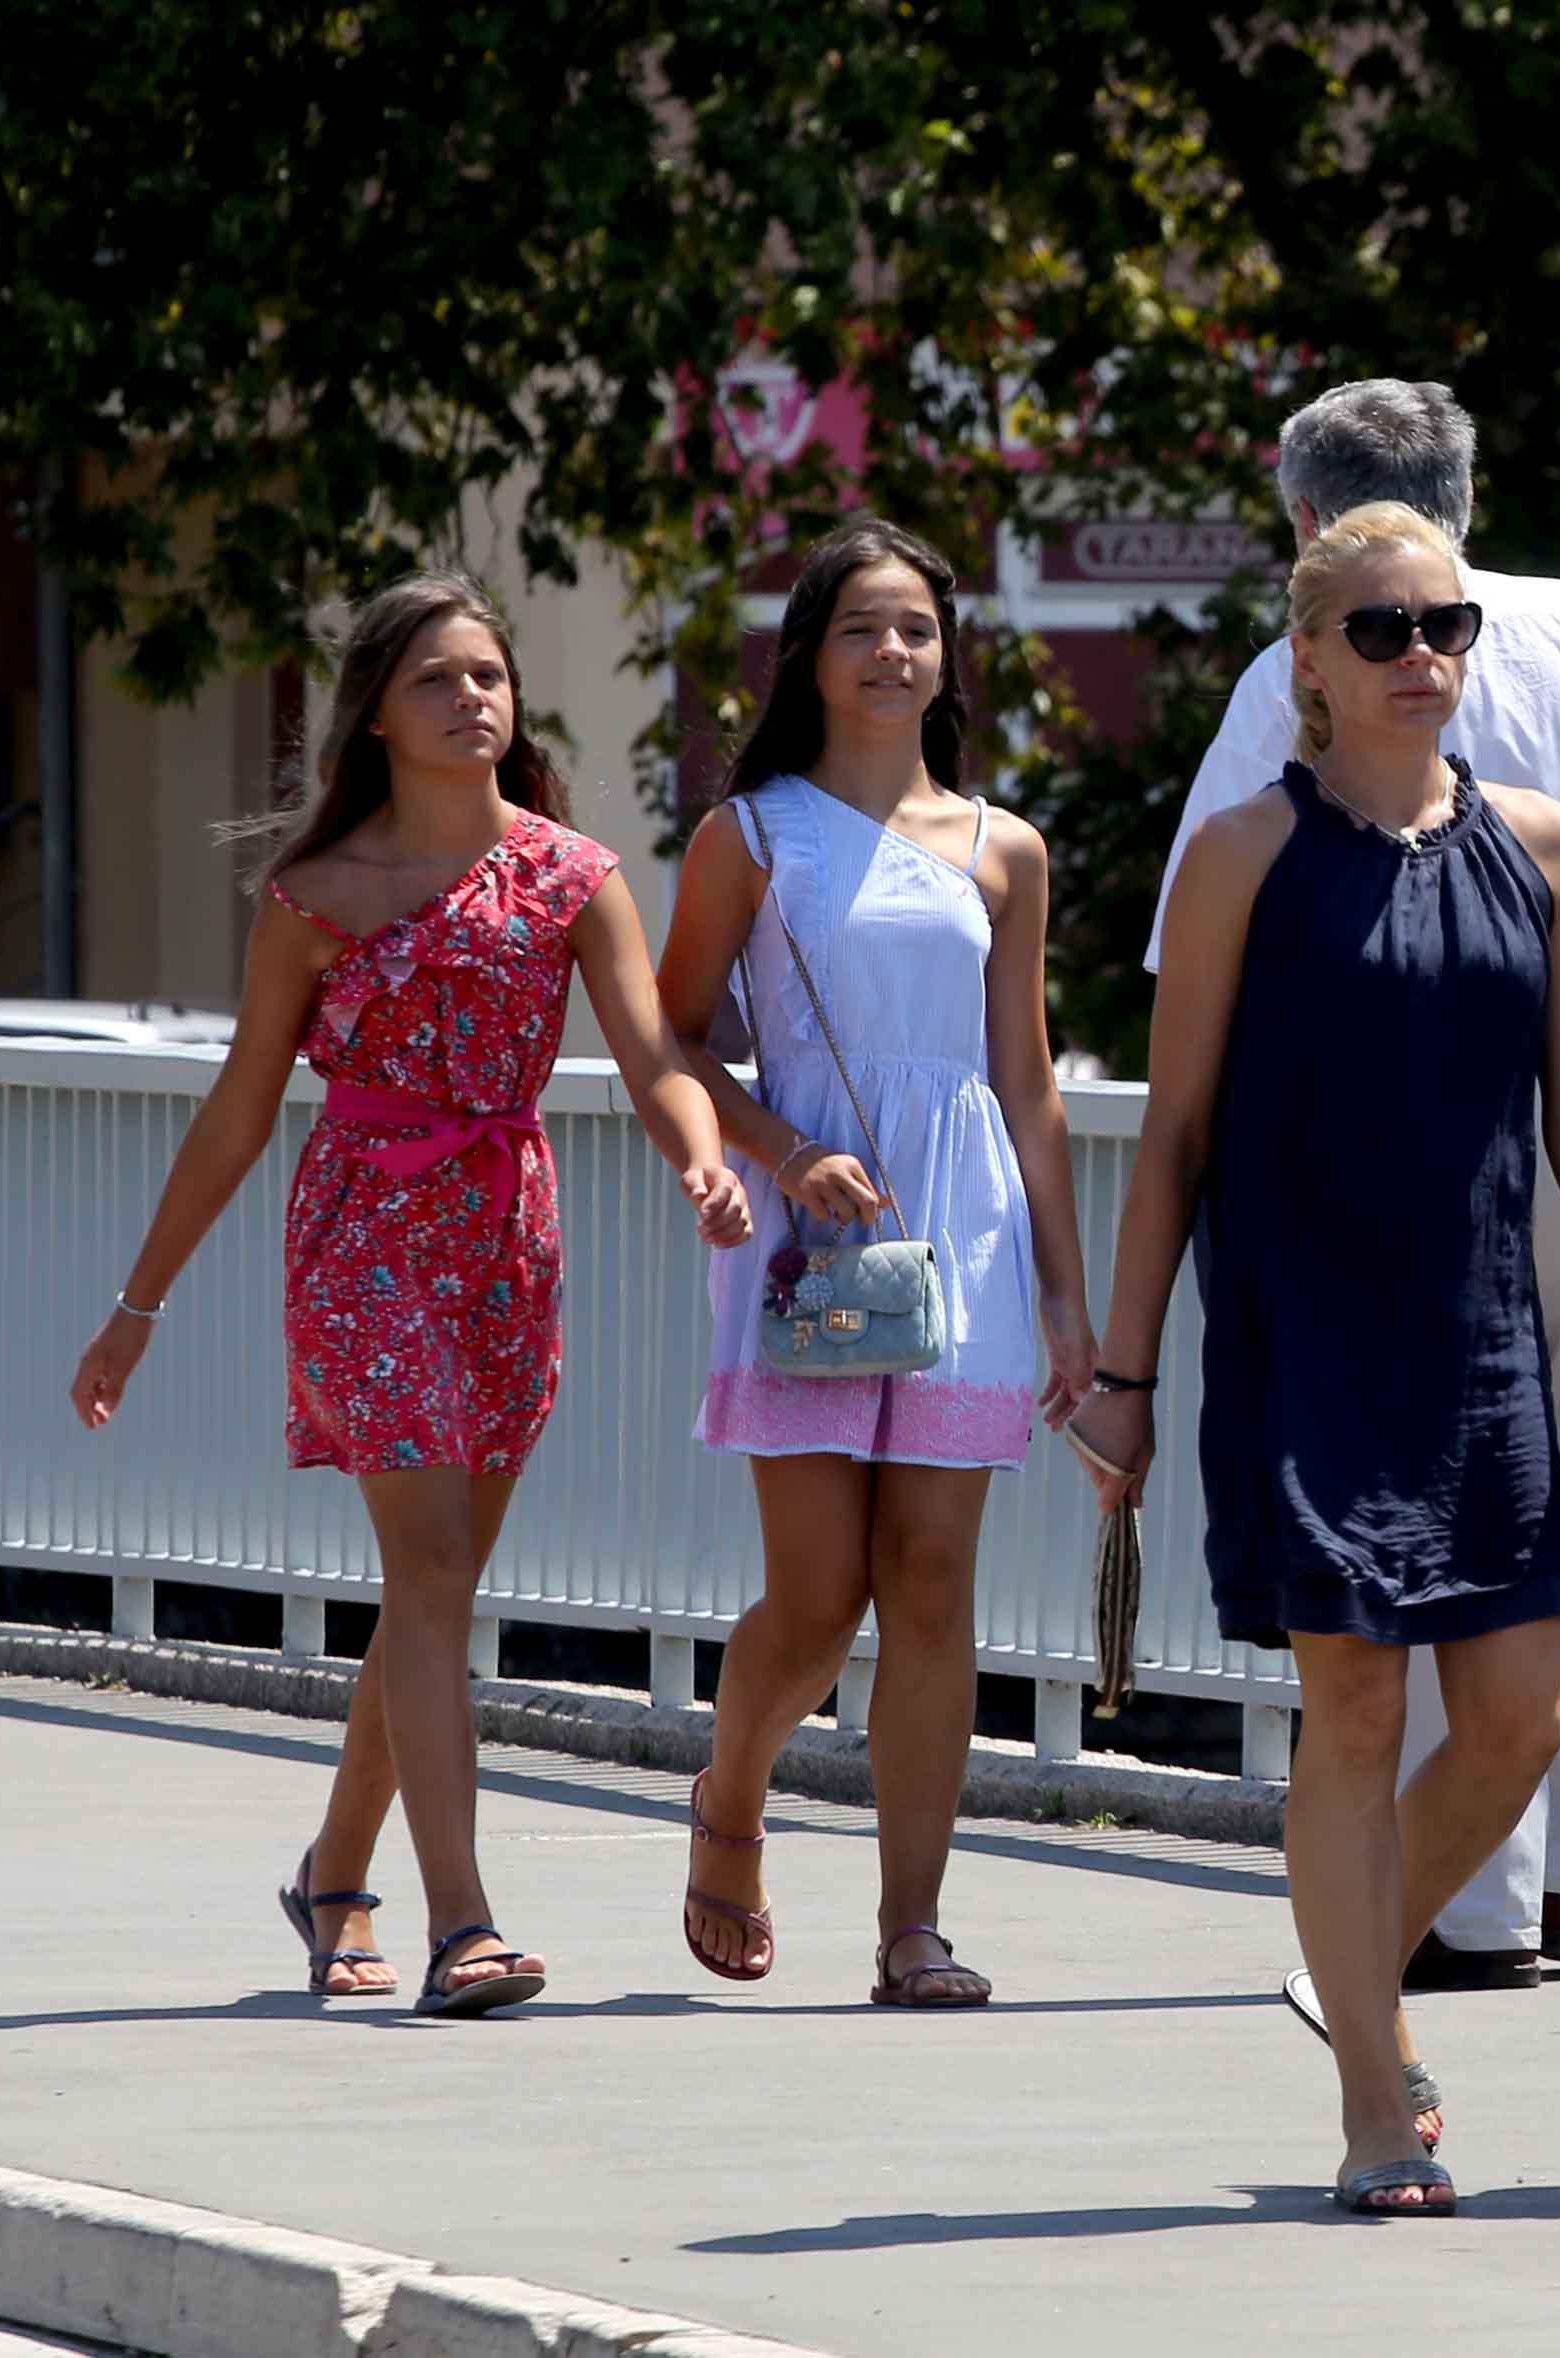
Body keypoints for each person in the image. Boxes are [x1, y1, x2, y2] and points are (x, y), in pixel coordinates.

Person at [1079, 501, 1560, 2214]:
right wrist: (1121, 1373)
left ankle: (1344, 1966)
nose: (1426, 657)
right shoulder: (1246, 853)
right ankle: (1370, 2087)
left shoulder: (1543, 846)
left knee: (1520, 1722)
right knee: (1349, 1709)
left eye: (1450, 626)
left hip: (1488, 1336)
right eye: (1384, 630)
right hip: (1305, 1329)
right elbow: (1173, 1126)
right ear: (1306, 664)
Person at [1149, 380, 1560, 1987]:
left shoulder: (1307, 651)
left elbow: (1194, 942)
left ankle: (1462, 1900)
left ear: (1306, 521)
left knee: (1439, 1495)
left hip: (1446, 1113)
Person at [67, 571, 752, 2018]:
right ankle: (465, 1924)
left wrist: (702, 1164)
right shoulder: (316, 900)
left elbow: (653, 1061)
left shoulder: (572, 877)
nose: (475, 700)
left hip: (506, 1238)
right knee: (431, 1573)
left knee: (429, 1589)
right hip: (365, 1233)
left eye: (490, 675)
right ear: (375, 711)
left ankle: (330, 1874)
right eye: (438, 679)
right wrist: (139, 1303)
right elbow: (238, 1115)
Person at [658, 519, 1097, 2006]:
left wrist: (1066, 1294)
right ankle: (731, 1795)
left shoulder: (1002, 846)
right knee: (819, 1592)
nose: (894, 652)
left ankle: (913, 1926)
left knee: (930, 1578)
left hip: (959, 1233)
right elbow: (673, 1034)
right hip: (809, 1234)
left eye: (916, 627)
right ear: (810, 655)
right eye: (862, 628)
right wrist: (780, 1155)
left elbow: (1026, 1082)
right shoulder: (754, 832)